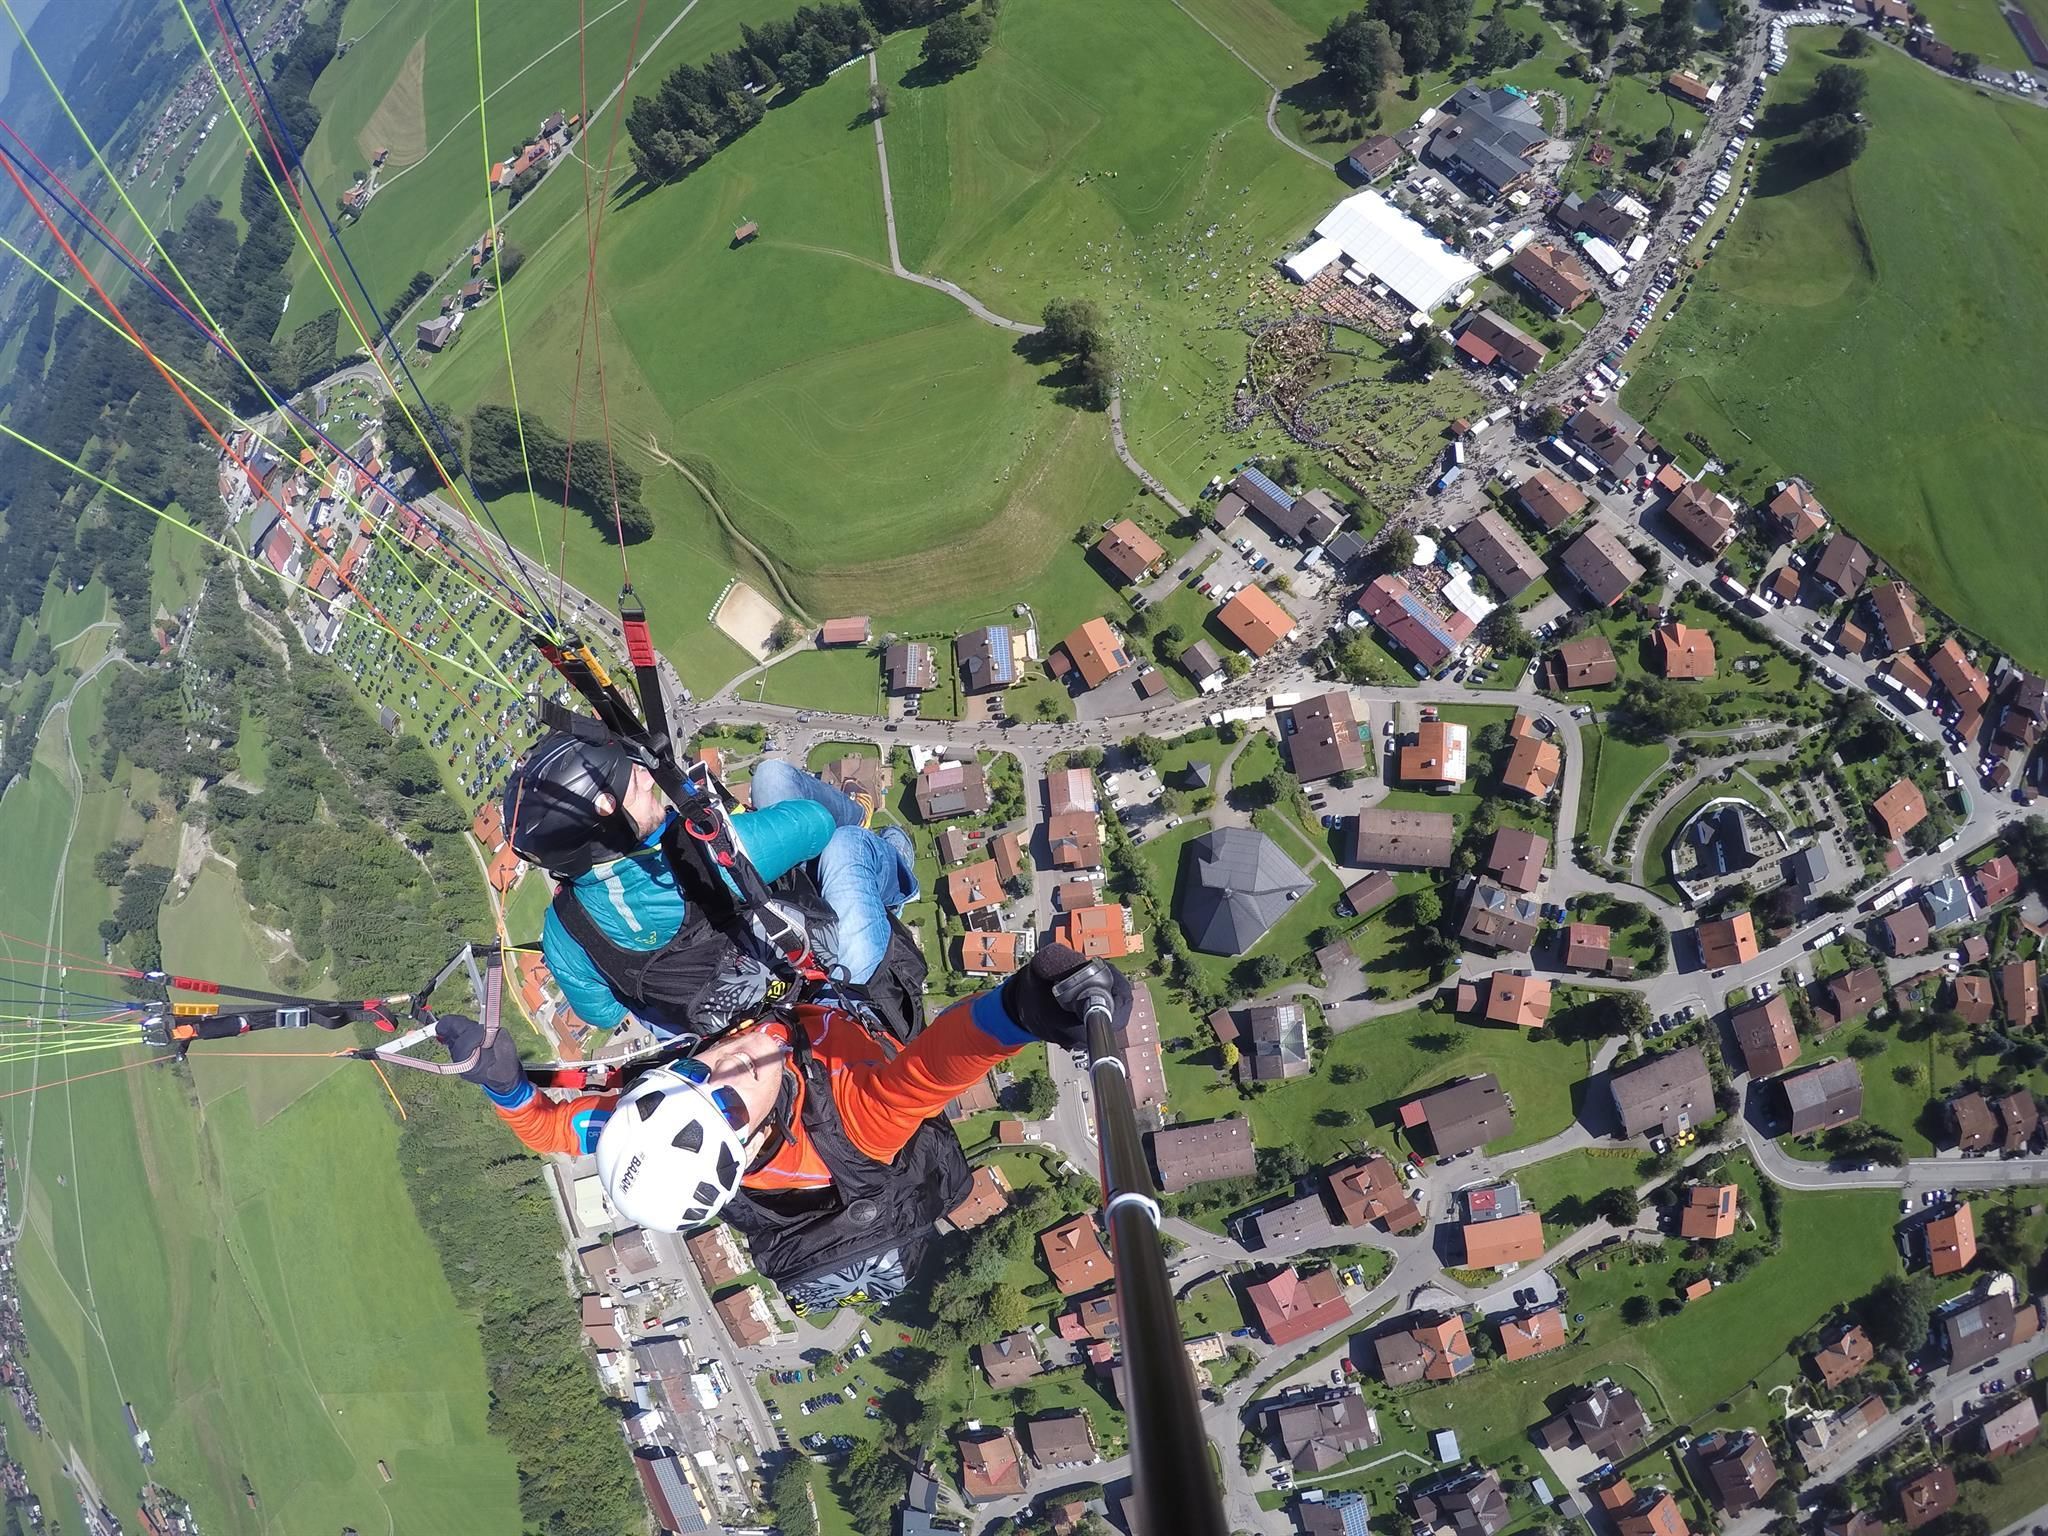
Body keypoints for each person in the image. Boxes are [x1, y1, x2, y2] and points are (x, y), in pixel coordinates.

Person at [437, 945, 1129, 1310]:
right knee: (819, 824)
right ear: (745, 1147)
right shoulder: (854, 1131)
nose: (726, 1067)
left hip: (772, 994)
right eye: (731, 1105)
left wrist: (505, 1086)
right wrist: (1030, 1008)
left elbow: (554, 1134)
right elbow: (943, 1063)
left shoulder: (660, 1122)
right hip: (846, 988)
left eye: (693, 1074)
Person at [501, 731, 920, 1041]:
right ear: (607, 820)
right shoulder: (702, 858)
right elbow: (815, 824)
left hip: (740, 1019)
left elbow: (605, 1013)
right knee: (846, 841)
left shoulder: (563, 931)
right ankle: (899, 874)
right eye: (634, 781)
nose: (649, 779)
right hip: (838, 983)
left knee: (774, 776)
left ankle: (866, 831)